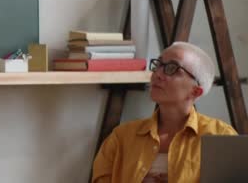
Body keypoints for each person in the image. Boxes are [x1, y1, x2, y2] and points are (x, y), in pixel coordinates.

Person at [92, 41, 237, 183]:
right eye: (158, 65)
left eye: (172, 68)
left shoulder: (221, 136)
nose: (158, 74)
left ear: (195, 91)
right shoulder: (121, 137)